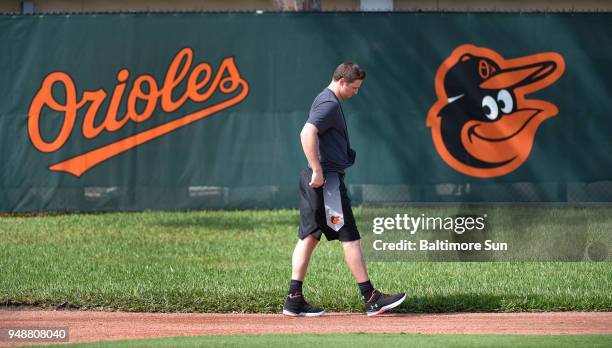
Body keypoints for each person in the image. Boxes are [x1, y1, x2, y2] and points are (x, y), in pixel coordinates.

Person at [282, 62, 406, 317]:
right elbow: (307, 132)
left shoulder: (324, 99)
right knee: (350, 237)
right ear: (341, 82)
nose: (356, 92)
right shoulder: (329, 103)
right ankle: (371, 298)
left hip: (317, 180)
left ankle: (293, 299)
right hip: (326, 182)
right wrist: (317, 169)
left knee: (309, 236)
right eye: (354, 87)